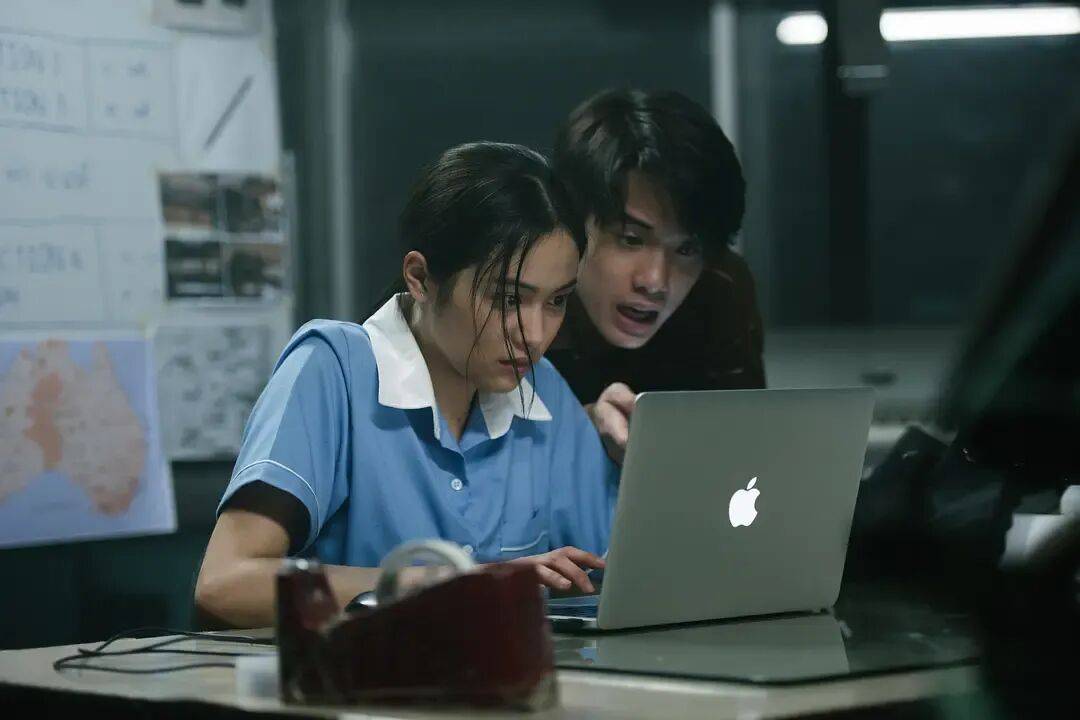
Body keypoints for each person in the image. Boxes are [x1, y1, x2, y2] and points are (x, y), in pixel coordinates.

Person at [195, 143, 618, 629]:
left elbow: (617, 574)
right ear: (420, 278)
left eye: (557, 301)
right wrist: (456, 583)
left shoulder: (543, 390)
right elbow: (224, 584)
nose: (537, 335)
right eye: (507, 300)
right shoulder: (333, 370)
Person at [546, 89, 765, 463]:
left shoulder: (719, 286)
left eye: (686, 250)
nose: (655, 282)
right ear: (569, 222)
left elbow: (746, 454)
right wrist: (578, 430)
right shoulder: (512, 296)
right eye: (631, 239)